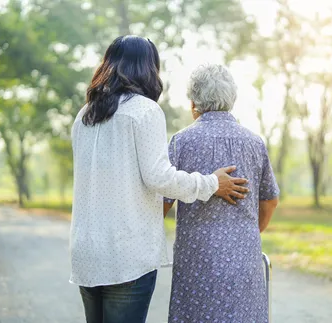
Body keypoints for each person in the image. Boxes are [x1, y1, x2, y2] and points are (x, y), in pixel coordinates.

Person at [70, 36, 249, 323]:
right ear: (149, 68)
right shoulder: (144, 110)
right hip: (125, 254)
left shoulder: (84, 115)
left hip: (86, 251)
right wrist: (212, 183)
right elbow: (159, 178)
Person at [164, 64, 280, 322]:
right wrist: (246, 233)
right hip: (245, 257)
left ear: (194, 103)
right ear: (232, 99)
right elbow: (270, 199)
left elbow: (163, 201)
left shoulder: (182, 142)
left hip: (196, 260)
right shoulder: (254, 142)